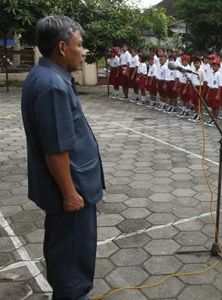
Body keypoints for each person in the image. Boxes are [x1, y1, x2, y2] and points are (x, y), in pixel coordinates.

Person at [21, 15, 105, 299]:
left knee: (63, 255)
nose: (83, 52)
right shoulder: (53, 85)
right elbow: (56, 149)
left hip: (71, 187)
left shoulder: (45, 75)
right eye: (79, 45)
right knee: (73, 267)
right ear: (61, 46)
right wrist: (70, 193)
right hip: (72, 192)